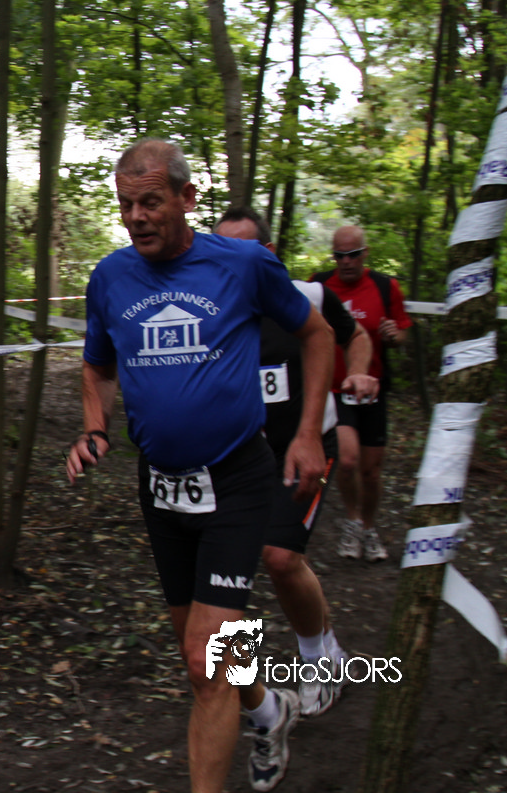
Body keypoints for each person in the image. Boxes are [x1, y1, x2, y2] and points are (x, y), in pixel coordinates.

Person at [67, 139, 334, 793]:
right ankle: (268, 712)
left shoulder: (243, 264)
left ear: (187, 198)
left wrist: (307, 434)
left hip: (237, 479)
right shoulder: (110, 278)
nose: (136, 217)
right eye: (126, 204)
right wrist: (95, 428)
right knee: (204, 653)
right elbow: (97, 365)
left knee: (204, 661)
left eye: (151, 201)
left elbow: (318, 334)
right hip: (161, 489)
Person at [215, 207, 378, 719]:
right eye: (222, 250)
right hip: (240, 458)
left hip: (306, 448)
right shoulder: (211, 310)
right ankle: (313, 661)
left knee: (281, 558)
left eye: (243, 249)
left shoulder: (308, 297)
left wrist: (358, 373)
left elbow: (356, 336)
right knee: (242, 572)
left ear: (268, 253)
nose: (231, 261)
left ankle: (317, 664)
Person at [308, 226, 412, 563]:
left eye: (353, 255)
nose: (346, 262)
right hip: (334, 388)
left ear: (364, 253)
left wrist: (394, 335)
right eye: (339, 256)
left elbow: (402, 332)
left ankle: (368, 526)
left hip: (372, 388)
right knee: (348, 460)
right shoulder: (319, 285)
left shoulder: (384, 286)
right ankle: (352, 521)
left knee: (371, 470)